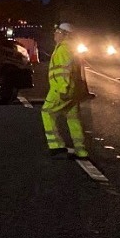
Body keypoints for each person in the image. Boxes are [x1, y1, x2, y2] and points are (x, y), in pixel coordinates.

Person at [42, 22, 90, 159]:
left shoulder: (63, 49)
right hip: (73, 90)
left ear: (64, 34)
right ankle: (81, 151)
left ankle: (56, 146)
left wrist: (62, 89)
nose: (55, 34)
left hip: (61, 89)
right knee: (73, 118)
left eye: (57, 32)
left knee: (47, 112)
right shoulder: (71, 48)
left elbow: (64, 71)